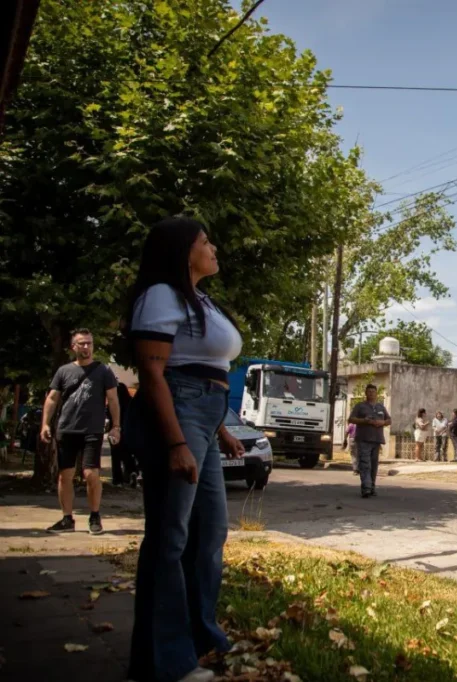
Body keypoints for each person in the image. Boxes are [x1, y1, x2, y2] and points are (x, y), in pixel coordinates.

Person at [124, 217, 245, 682]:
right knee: (170, 537)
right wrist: (177, 441)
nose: (213, 249)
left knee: (210, 532)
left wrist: (221, 430)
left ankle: (198, 639)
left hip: (205, 417)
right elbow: (154, 373)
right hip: (179, 413)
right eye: (205, 242)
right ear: (182, 251)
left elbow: (206, 368)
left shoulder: (201, 300)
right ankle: (164, 663)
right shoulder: (161, 295)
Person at [40, 329, 120, 535]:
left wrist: (116, 426)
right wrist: (45, 424)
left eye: (89, 343)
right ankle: (67, 519)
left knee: (91, 474)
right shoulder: (64, 371)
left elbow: (113, 400)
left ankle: (95, 516)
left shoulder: (103, 371)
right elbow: (52, 398)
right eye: (82, 343)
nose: (86, 347)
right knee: (64, 475)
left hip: (92, 430)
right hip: (67, 429)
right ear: (73, 347)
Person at [348, 384, 390, 498]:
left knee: (373, 465)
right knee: (365, 464)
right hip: (363, 439)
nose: (371, 393)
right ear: (366, 393)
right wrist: (364, 420)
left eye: (373, 391)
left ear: (376, 394)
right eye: (369, 391)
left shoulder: (381, 407)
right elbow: (351, 419)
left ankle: (372, 487)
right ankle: (366, 488)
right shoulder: (360, 406)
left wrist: (382, 422)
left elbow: (389, 420)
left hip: (376, 440)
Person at [110, 382, 139, 486]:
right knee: (127, 453)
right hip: (128, 431)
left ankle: (117, 479)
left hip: (115, 430)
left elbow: (108, 414)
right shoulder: (131, 402)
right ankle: (132, 471)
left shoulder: (114, 403)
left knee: (115, 455)